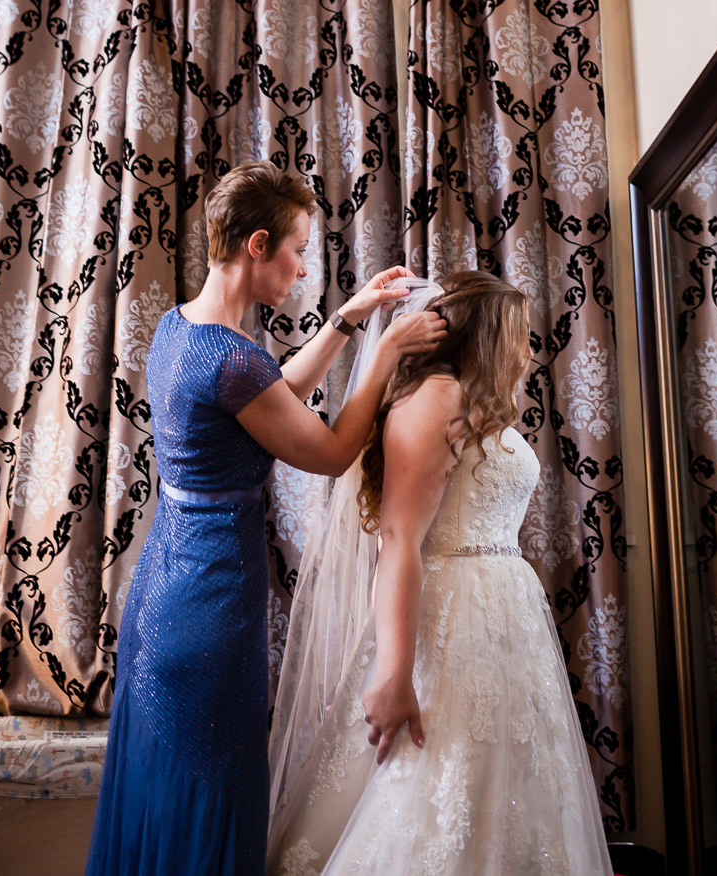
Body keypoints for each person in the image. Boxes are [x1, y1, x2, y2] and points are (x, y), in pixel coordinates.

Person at [82, 160, 445, 876]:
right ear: (257, 244)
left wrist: (348, 321)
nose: (304, 268)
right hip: (211, 603)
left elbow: (270, 399)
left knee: (166, 787)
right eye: (299, 249)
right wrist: (387, 356)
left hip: (163, 590)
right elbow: (334, 452)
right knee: (215, 781)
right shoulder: (233, 358)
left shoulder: (176, 328)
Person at [267, 270, 614, 876]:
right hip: (451, 620)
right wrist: (395, 673)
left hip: (503, 624)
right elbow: (398, 538)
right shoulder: (435, 398)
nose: (528, 350)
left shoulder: (473, 402)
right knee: (435, 783)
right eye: (518, 334)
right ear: (485, 335)